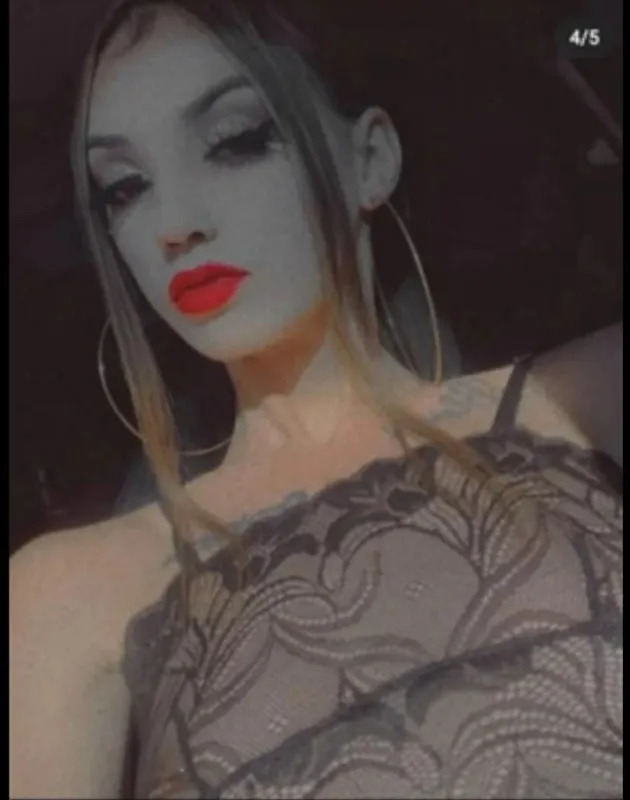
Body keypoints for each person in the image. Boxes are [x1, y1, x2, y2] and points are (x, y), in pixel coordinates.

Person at [10, 1, 622, 797]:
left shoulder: (590, 395)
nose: (173, 224)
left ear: (369, 157)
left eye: (233, 140)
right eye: (125, 187)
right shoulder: (67, 593)